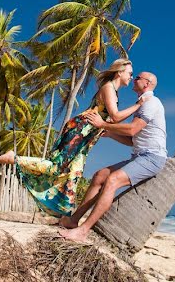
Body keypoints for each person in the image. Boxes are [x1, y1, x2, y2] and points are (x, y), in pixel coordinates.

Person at [0, 58, 144, 217]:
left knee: (74, 173)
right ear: (119, 72)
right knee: (57, 166)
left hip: (87, 136)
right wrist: (138, 105)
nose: (132, 77)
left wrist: (112, 131)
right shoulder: (108, 87)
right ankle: (14, 158)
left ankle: (66, 215)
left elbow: (110, 118)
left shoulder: (114, 91)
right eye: (130, 73)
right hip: (79, 131)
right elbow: (116, 115)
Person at [58, 71, 167, 242]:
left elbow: (132, 129)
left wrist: (103, 124)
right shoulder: (142, 103)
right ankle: (73, 220)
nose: (134, 78)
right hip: (140, 156)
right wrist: (109, 133)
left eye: (137, 77)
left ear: (147, 83)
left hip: (152, 158)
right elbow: (132, 140)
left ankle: (83, 231)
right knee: (100, 176)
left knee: (113, 180)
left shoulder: (152, 103)